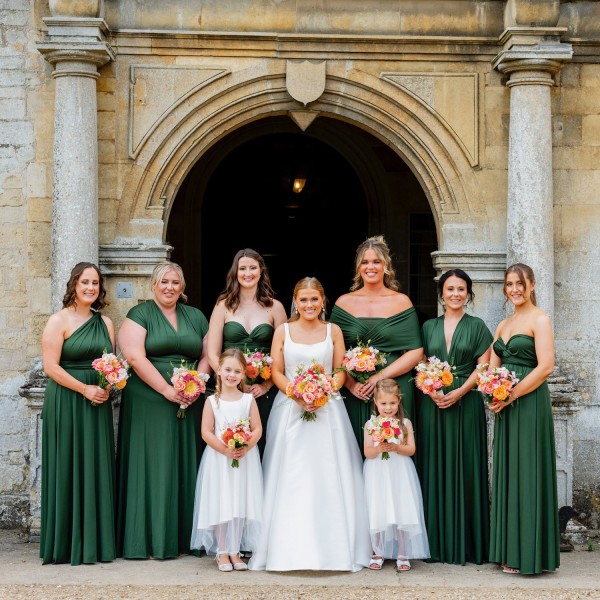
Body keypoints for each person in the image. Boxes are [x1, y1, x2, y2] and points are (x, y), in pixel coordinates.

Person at [249, 277, 372, 571]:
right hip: (290, 409)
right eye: (303, 300)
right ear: (295, 301)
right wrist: (297, 393)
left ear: (323, 301)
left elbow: (341, 369)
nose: (309, 305)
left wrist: (323, 392)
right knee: (290, 474)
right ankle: (284, 549)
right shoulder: (283, 331)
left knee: (329, 473)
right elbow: (277, 371)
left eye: (314, 300)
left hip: (327, 409)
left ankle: (336, 549)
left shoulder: (334, 331)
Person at [117, 261, 210, 559]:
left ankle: (185, 536)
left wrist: (196, 382)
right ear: (153, 285)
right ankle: (148, 538)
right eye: (164, 282)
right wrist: (167, 390)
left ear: (182, 286)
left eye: (175, 282)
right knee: (153, 463)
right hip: (149, 399)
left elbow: (208, 353)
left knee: (185, 461)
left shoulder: (195, 316)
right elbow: (134, 356)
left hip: (190, 398)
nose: (169, 287)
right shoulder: (139, 314)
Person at [40, 262, 116, 565]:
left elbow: (110, 363)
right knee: (67, 464)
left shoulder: (106, 323)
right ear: (74, 284)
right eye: (85, 282)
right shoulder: (58, 321)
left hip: (97, 402)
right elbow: (50, 367)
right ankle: (65, 544)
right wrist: (83, 389)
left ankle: (95, 545)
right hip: (67, 400)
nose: (90, 288)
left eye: (95, 283)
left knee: (95, 466)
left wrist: (108, 386)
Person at [416, 269, 493, 565]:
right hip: (432, 403)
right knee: (434, 463)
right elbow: (421, 364)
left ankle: (468, 545)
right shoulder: (428, 327)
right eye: (450, 289)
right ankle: (434, 542)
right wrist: (431, 390)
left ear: (468, 293)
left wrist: (459, 392)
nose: (456, 294)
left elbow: (483, 366)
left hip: (466, 401)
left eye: (461, 289)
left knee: (466, 464)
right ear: (441, 293)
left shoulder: (478, 326)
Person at [488, 263, 559, 575]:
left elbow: (545, 367)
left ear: (531, 284)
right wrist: (491, 389)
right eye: (509, 284)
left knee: (527, 470)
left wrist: (511, 394)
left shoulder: (540, 319)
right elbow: (492, 364)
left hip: (527, 402)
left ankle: (528, 553)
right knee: (508, 470)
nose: (514, 289)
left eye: (519, 283)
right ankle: (508, 549)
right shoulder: (504, 324)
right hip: (505, 403)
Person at [330, 236, 423, 451]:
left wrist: (379, 377)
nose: (370, 267)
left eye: (376, 261)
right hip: (356, 388)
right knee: (355, 449)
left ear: (386, 266)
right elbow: (334, 350)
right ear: (358, 267)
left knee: (395, 450)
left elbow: (416, 351)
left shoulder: (401, 301)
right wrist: (351, 384)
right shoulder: (343, 303)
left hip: (394, 386)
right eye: (365, 262)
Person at [207, 249, 286, 456]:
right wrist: (231, 381)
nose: (247, 273)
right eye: (242, 268)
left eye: (252, 268)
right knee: (231, 444)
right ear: (235, 272)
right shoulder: (222, 306)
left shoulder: (275, 307)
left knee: (265, 446)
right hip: (231, 391)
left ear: (261, 271)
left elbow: (284, 353)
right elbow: (213, 353)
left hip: (263, 391)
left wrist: (266, 385)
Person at [191, 348, 262, 572]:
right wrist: (225, 449)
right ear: (219, 370)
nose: (232, 375)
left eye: (237, 371)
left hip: (244, 459)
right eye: (228, 370)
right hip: (220, 459)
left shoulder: (248, 399)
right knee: (222, 502)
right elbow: (206, 431)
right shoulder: (213, 401)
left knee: (240, 501)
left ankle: (235, 550)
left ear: (244, 375)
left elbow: (257, 428)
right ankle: (222, 551)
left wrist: (245, 447)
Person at [364, 379, 429, 572]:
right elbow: (367, 452)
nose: (388, 407)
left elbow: (411, 449)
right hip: (378, 471)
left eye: (392, 403)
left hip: (399, 470)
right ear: (376, 402)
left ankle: (403, 552)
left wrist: (396, 446)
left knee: (401, 509)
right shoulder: (371, 424)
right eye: (383, 403)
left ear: (398, 401)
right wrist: (379, 448)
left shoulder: (405, 423)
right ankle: (378, 551)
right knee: (378, 509)